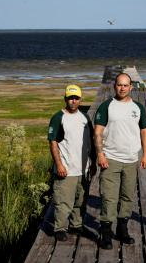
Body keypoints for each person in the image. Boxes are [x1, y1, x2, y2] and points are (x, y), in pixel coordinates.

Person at [94, 73, 146, 249]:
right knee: (109, 197)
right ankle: (106, 232)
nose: (122, 88)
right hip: (110, 159)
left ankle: (122, 229)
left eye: (126, 85)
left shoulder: (138, 107)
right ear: (114, 86)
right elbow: (97, 133)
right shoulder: (106, 106)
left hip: (131, 160)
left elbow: (145, 132)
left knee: (127, 196)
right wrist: (100, 154)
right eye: (119, 85)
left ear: (131, 87)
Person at [47, 84, 96, 241]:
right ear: (65, 99)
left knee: (80, 200)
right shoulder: (58, 117)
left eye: (76, 98)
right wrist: (59, 165)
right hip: (66, 170)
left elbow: (92, 142)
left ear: (81, 99)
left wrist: (93, 162)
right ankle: (60, 228)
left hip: (83, 169)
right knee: (63, 202)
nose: (73, 101)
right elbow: (53, 142)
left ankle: (76, 226)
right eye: (70, 98)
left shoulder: (85, 117)